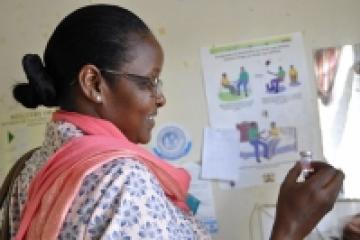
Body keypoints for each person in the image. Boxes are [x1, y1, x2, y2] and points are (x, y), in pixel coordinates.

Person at [2, 4, 344, 240]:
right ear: (93, 84)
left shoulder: (29, 167)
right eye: (149, 80)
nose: (160, 97)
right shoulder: (121, 180)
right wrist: (289, 227)